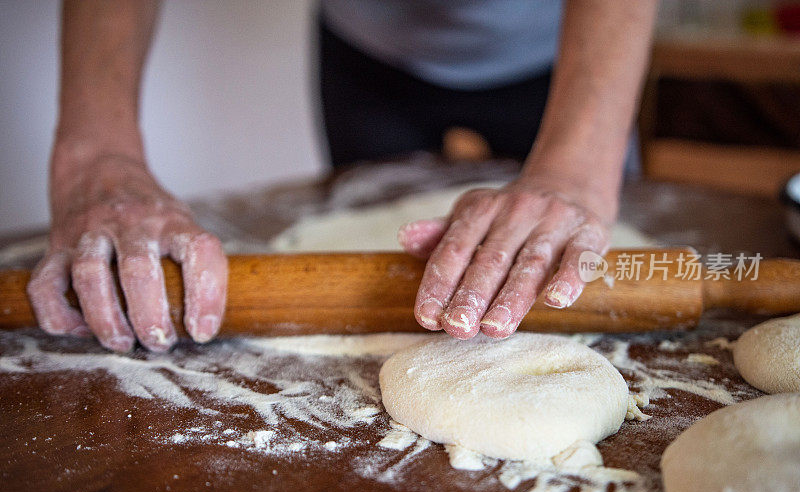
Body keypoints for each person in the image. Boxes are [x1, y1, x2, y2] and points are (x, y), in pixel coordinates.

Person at [27, 0, 658, 352]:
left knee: (564, 251)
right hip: (367, 45)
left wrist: (577, 173)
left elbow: (576, 191)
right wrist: (96, 152)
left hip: (559, 46)